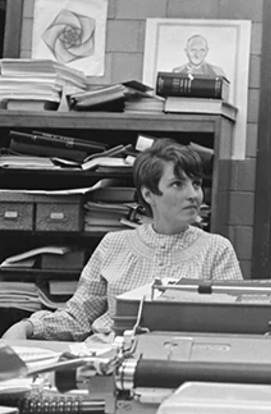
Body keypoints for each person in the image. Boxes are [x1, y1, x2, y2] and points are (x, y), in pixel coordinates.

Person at [2, 138, 243, 343]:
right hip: (103, 359)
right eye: (178, 184)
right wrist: (28, 326)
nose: (193, 194)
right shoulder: (113, 244)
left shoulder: (217, 249)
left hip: (177, 363)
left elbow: (233, 326)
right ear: (149, 194)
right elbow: (78, 318)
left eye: (197, 184)